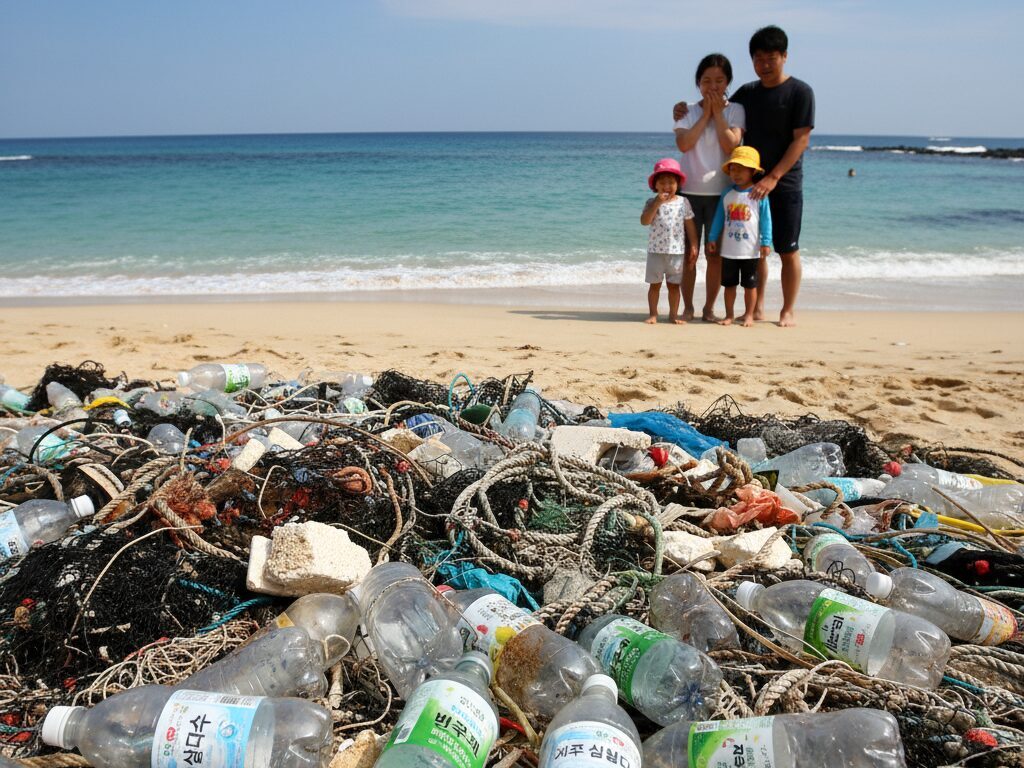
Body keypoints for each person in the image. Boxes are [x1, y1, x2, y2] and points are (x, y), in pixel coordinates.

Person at [674, 25, 814, 326]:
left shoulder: (800, 92)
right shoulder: (748, 93)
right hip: (747, 184)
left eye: (771, 58)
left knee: (787, 248)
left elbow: (801, 140)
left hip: (783, 181)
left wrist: (773, 177)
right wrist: (682, 109)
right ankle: (758, 307)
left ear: (785, 57)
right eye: (758, 58)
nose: (764, 64)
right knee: (755, 249)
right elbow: (712, 103)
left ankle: (787, 310)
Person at [673, 53, 745, 322]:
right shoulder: (687, 110)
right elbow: (684, 144)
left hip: (721, 194)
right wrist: (705, 115)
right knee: (688, 255)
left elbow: (731, 145)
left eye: (719, 80)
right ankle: (688, 307)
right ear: (698, 83)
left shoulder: (736, 110)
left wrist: (718, 114)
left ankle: (709, 309)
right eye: (706, 80)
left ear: (728, 82)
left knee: (714, 256)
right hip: (688, 193)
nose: (712, 86)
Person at [707, 146, 772, 327]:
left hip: (750, 251)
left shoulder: (758, 195)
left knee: (750, 285)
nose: (736, 173)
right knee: (729, 285)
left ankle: (749, 315)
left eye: (741, 169)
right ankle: (729, 315)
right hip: (729, 250)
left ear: (752, 171)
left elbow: (766, 220)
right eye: (733, 169)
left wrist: (766, 242)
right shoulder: (727, 193)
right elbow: (719, 217)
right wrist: (712, 238)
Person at [640, 158, 698, 324]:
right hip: (655, 251)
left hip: (676, 252)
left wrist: (693, 245)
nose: (666, 187)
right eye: (662, 183)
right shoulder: (651, 202)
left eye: (671, 182)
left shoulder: (683, 202)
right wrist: (657, 203)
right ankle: (653, 314)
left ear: (678, 184)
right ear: (655, 185)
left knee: (674, 286)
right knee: (655, 285)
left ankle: (673, 315)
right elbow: (645, 221)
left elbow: (690, 225)